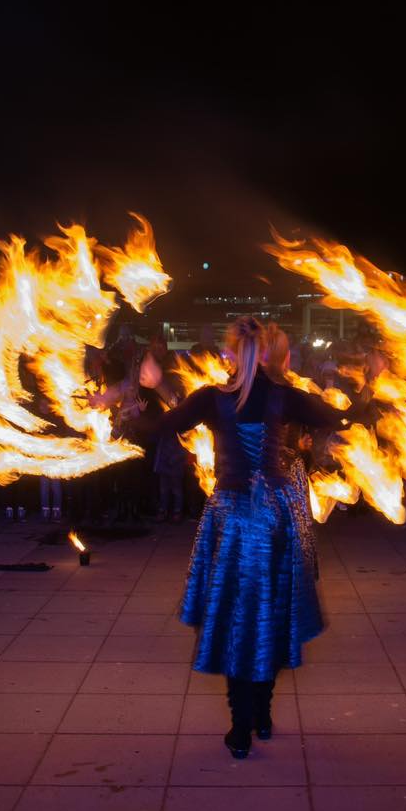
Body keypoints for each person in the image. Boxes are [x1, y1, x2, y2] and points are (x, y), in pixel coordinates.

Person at [136, 316, 342, 759]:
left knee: (236, 621)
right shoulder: (283, 396)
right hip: (272, 518)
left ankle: (240, 727)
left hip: (231, 520)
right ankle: (261, 714)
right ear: (266, 353)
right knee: (267, 616)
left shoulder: (213, 398)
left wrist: (144, 396)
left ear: (231, 354)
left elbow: (160, 428)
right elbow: (334, 416)